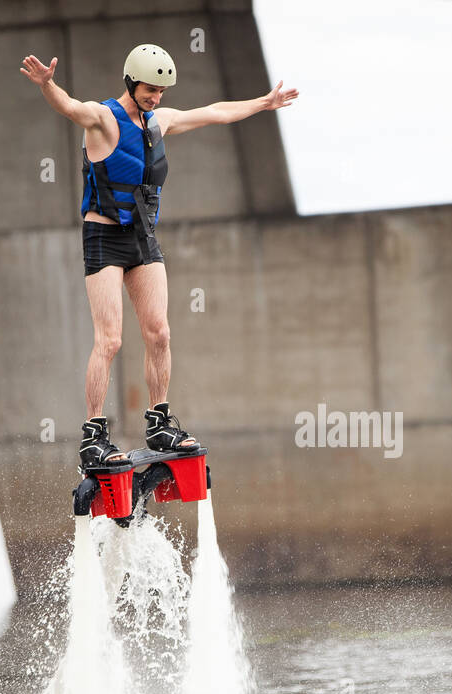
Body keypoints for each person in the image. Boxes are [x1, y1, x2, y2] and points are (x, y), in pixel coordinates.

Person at [20, 44, 299, 466]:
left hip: (143, 240)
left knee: (159, 334)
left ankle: (160, 423)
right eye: (151, 89)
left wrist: (264, 102)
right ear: (131, 82)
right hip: (103, 236)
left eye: (162, 91)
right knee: (110, 340)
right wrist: (47, 85)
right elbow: (70, 107)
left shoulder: (159, 122)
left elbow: (213, 112)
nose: (157, 97)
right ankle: (94, 434)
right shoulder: (102, 118)